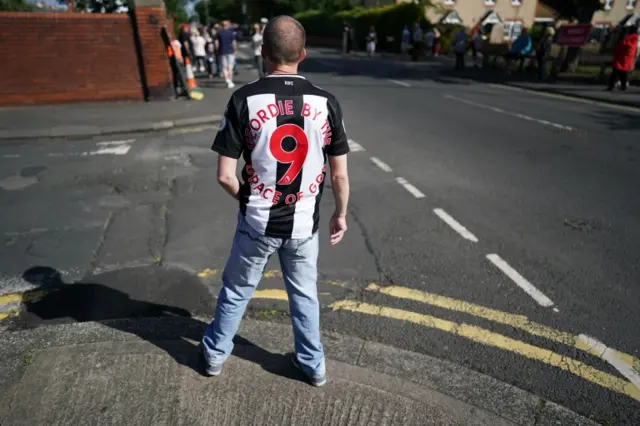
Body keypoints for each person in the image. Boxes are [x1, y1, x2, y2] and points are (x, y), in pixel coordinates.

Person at [201, 15, 350, 388]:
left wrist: (248, 201)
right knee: (304, 296)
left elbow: (224, 174)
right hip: (304, 225)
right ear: (303, 54)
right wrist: (340, 215)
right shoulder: (327, 103)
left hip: (257, 222)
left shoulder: (243, 99)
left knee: (237, 290)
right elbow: (340, 175)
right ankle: (313, 366)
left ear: (263, 53)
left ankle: (215, 356)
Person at [608, 25, 638, 91]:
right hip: (621, 56)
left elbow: (630, 46)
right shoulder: (629, 36)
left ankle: (621, 86)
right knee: (618, 72)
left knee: (622, 72)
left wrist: (624, 42)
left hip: (625, 57)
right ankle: (613, 86)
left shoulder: (634, 37)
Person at [216, 20, 237, 88]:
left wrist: (217, 50)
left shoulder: (219, 32)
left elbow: (216, 43)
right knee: (230, 67)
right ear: (228, 25)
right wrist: (235, 50)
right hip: (230, 51)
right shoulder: (231, 33)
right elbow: (234, 42)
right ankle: (230, 80)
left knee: (224, 67)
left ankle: (227, 79)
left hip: (222, 51)